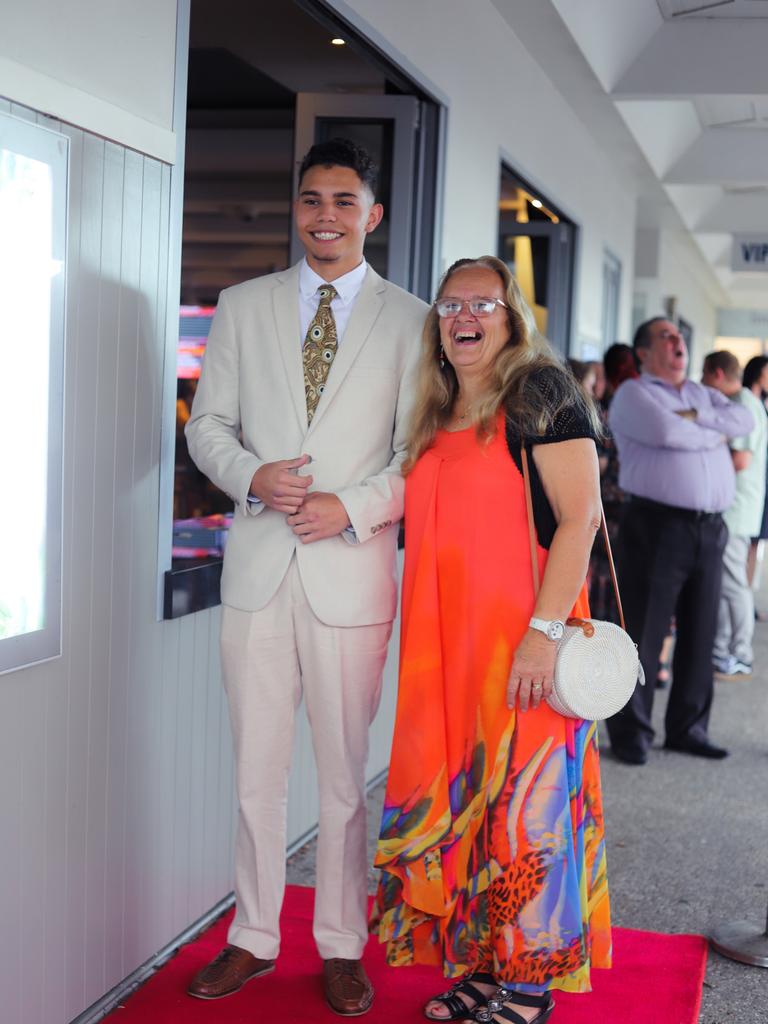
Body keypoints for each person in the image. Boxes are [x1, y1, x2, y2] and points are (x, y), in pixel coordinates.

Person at [185, 138, 428, 1016]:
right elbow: (206, 424)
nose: (325, 215)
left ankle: (339, 944)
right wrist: (249, 473)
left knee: (340, 774)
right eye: (311, 199)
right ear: (298, 208)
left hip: (350, 574)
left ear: (374, 214)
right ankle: (251, 936)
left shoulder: (413, 320)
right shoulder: (244, 305)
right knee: (255, 768)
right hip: (256, 567)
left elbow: (418, 454)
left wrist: (354, 507)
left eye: (343, 199)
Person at [371, 256, 611, 1024]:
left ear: (512, 317)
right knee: (471, 806)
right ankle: (482, 964)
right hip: (447, 654)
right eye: (450, 305)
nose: (464, 317)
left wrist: (541, 639)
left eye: (483, 303)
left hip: (521, 645)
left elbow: (581, 519)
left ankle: (531, 980)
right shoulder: (435, 404)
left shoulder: (539, 390)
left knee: (527, 811)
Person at [606, 318, 753, 766]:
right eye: (666, 337)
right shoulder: (635, 393)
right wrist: (713, 429)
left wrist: (699, 418)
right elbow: (668, 434)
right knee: (644, 632)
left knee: (700, 630)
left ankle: (689, 728)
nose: (678, 342)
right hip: (657, 524)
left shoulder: (698, 394)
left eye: (680, 337)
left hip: (709, 527)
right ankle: (632, 733)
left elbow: (743, 417)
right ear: (645, 353)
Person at [702, 350, 767, 679]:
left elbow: (740, 459)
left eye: (703, 375)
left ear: (716, 374)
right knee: (727, 582)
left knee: (734, 584)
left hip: (736, 508)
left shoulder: (742, 404)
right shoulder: (741, 402)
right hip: (736, 507)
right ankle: (725, 650)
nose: (701, 383)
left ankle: (740, 654)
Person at [742, 356, 768, 597]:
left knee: (755, 545)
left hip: (760, 484)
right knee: (748, 544)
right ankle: (744, 598)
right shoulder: (747, 403)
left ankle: (746, 596)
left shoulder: (760, 404)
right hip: (750, 486)